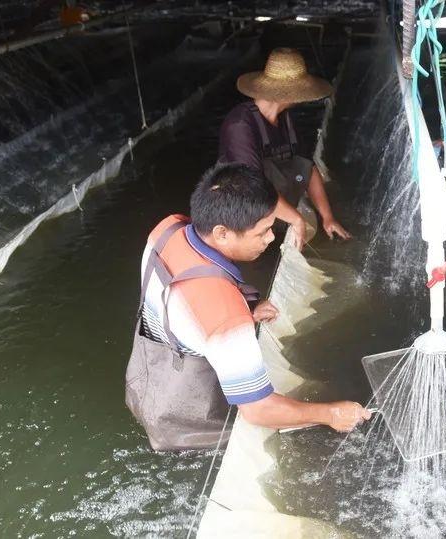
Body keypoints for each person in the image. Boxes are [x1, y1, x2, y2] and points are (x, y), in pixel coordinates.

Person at [125, 163, 370, 451]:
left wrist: (246, 302)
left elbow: (178, 288)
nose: (270, 238)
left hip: (146, 376)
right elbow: (258, 410)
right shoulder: (226, 317)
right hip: (186, 421)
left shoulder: (167, 228)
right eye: (263, 231)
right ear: (222, 233)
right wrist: (331, 413)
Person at [218, 47, 351, 249]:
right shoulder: (240, 125)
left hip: (272, 212)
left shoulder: (286, 120)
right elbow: (253, 188)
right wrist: (296, 219)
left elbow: (308, 168)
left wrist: (327, 217)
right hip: (239, 220)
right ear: (288, 94)